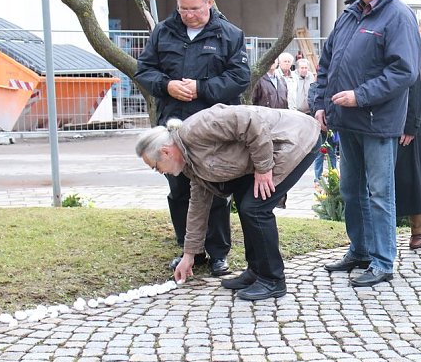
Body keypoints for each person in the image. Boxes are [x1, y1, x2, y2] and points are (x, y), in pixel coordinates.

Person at [310, 0, 421, 288]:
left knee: (379, 193)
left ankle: (383, 260)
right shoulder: (349, 16)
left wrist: (360, 95)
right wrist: (319, 104)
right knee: (350, 190)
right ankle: (359, 250)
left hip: (377, 121)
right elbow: (326, 63)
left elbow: (404, 71)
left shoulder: (398, 17)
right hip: (345, 120)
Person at [135, 104, 320, 299]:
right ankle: (256, 270)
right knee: (245, 204)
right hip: (269, 149)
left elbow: (250, 120)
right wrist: (189, 255)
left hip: (295, 138)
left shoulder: (198, 128)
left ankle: (272, 279)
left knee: (255, 208)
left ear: (166, 152)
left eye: (156, 167)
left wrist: (264, 168)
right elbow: (198, 207)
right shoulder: (189, 163)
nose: (159, 172)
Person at [135, 0, 250, 277]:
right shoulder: (163, 32)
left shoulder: (229, 34)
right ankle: (189, 251)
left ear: (209, 2)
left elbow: (239, 78)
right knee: (179, 191)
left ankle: (218, 253)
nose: (189, 16)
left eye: (195, 9)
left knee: (213, 190)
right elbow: (144, 70)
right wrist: (167, 85)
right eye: (183, 9)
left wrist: (201, 88)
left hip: (213, 130)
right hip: (172, 127)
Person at [395, 76, 421, 250]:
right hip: (388, 114)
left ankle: (419, 229)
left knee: (414, 175)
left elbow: (414, 88)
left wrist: (411, 124)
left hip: (411, 117)